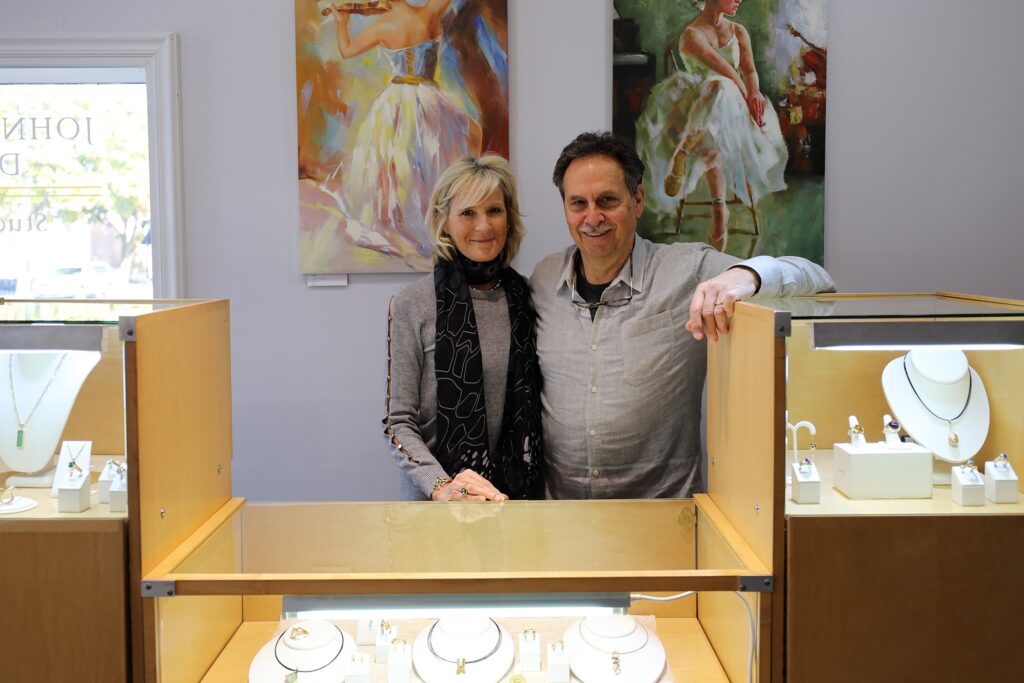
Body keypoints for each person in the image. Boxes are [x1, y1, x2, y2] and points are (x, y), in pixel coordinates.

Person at [530, 131, 834, 499]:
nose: (592, 217)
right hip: (562, 516)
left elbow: (818, 281)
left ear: (637, 200)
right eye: (578, 203)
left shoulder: (687, 270)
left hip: (662, 519)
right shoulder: (544, 280)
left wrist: (747, 274)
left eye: (607, 200)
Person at [384, 155, 543, 502]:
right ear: (444, 222)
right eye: (468, 213)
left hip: (515, 505)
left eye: (494, 211)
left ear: (509, 219)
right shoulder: (413, 303)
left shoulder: (529, 298)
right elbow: (398, 423)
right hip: (436, 506)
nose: (483, 226)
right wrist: (443, 487)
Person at [328, 0, 483, 267]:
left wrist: (342, 22)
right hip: (430, 101)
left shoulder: (382, 26)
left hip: (396, 102)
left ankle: (401, 219)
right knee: (431, 160)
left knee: (398, 163)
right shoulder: (430, 13)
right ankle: (433, 221)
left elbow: (346, 49)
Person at [635, 0, 788, 251]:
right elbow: (727, 71)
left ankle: (686, 156)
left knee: (721, 105)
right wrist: (745, 97)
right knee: (718, 89)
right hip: (696, 107)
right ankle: (720, 209)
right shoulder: (691, 35)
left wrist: (755, 93)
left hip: (734, 113)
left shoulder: (739, 32)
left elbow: (748, 70)